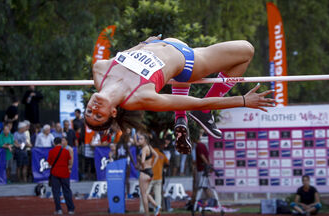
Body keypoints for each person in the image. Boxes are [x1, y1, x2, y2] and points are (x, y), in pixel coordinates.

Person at [84, 35, 275, 154]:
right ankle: (201, 114)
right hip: (187, 60)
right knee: (246, 50)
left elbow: (126, 54)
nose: (93, 110)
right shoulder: (137, 97)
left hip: (164, 42)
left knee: (242, 52)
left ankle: (181, 118)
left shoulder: (100, 69)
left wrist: (144, 43)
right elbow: (196, 102)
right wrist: (242, 100)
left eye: (89, 112)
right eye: (99, 115)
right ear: (113, 112)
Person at [140, 140, 169, 214]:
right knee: (158, 194)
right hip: (159, 177)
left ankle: (143, 209)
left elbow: (143, 161)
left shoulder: (148, 153)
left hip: (149, 175)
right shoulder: (161, 154)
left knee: (144, 193)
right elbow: (167, 163)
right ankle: (157, 209)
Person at [48, 137, 75, 215]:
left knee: (56, 192)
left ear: (54, 143)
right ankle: (71, 209)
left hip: (55, 173)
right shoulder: (66, 151)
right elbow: (69, 161)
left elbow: (50, 163)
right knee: (67, 191)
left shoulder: (51, 151)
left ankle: (58, 209)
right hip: (65, 173)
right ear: (61, 142)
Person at [136, 132, 160, 216]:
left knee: (143, 194)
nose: (139, 140)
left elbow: (142, 161)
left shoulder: (144, 149)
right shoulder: (149, 147)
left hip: (144, 172)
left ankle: (147, 213)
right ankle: (156, 206)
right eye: (139, 138)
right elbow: (156, 155)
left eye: (141, 139)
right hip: (150, 171)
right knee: (145, 193)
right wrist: (152, 165)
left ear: (145, 140)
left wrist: (141, 167)